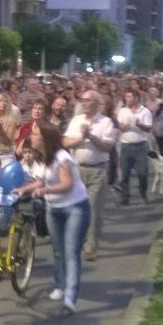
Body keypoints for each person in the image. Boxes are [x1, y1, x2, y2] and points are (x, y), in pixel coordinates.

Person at [14, 124, 90, 316]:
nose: (33, 136)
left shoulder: (62, 157)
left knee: (71, 252)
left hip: (75, 207)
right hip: (54, 209)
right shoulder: (41, 158)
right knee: (58, 250)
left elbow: (67, 184)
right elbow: (41, 180)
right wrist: (25, 189)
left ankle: (70, 299)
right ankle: (59, 285)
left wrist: (45, 190)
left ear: (46, 138)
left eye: (36, 134)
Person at [63, 90, 116, 262]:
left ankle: (90, 247)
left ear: (96, 103)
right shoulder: (76, 120)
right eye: (82, 100)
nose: (84, 103)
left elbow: (107, 147)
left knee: (92, 209)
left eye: (87, 100)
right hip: (77, 170)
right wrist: (79, 139)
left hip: (97, 171)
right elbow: (64, 142)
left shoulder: (105, 122)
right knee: (76, 209)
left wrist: (91, 136)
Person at [116, 89, 152, 205]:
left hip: (140, 146)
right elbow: (119, 126)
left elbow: (148, 128)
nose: (126, 99)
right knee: (124, 174)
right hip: (126, 146)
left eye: (129, 97)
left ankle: (142, 191)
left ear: (136, 98)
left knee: (142, 173)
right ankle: (125, 197)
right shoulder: (122, 111)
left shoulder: (145, 112)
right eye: (126, 97)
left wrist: (139, 124)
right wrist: (123, 126)